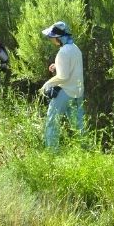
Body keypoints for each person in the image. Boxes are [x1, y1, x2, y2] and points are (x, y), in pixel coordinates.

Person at [39, 21, 85, 152]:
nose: (51, 39)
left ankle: (52, 153)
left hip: (65, 92)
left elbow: (63, 77)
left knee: (52, 122)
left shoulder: (63, 52)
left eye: (52, 37)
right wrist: (57, 66)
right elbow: (72, 69)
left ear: (58, 37)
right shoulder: (75, 48)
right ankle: (84, 151)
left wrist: (47, 84)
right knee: (78, 124)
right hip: (78, 91)